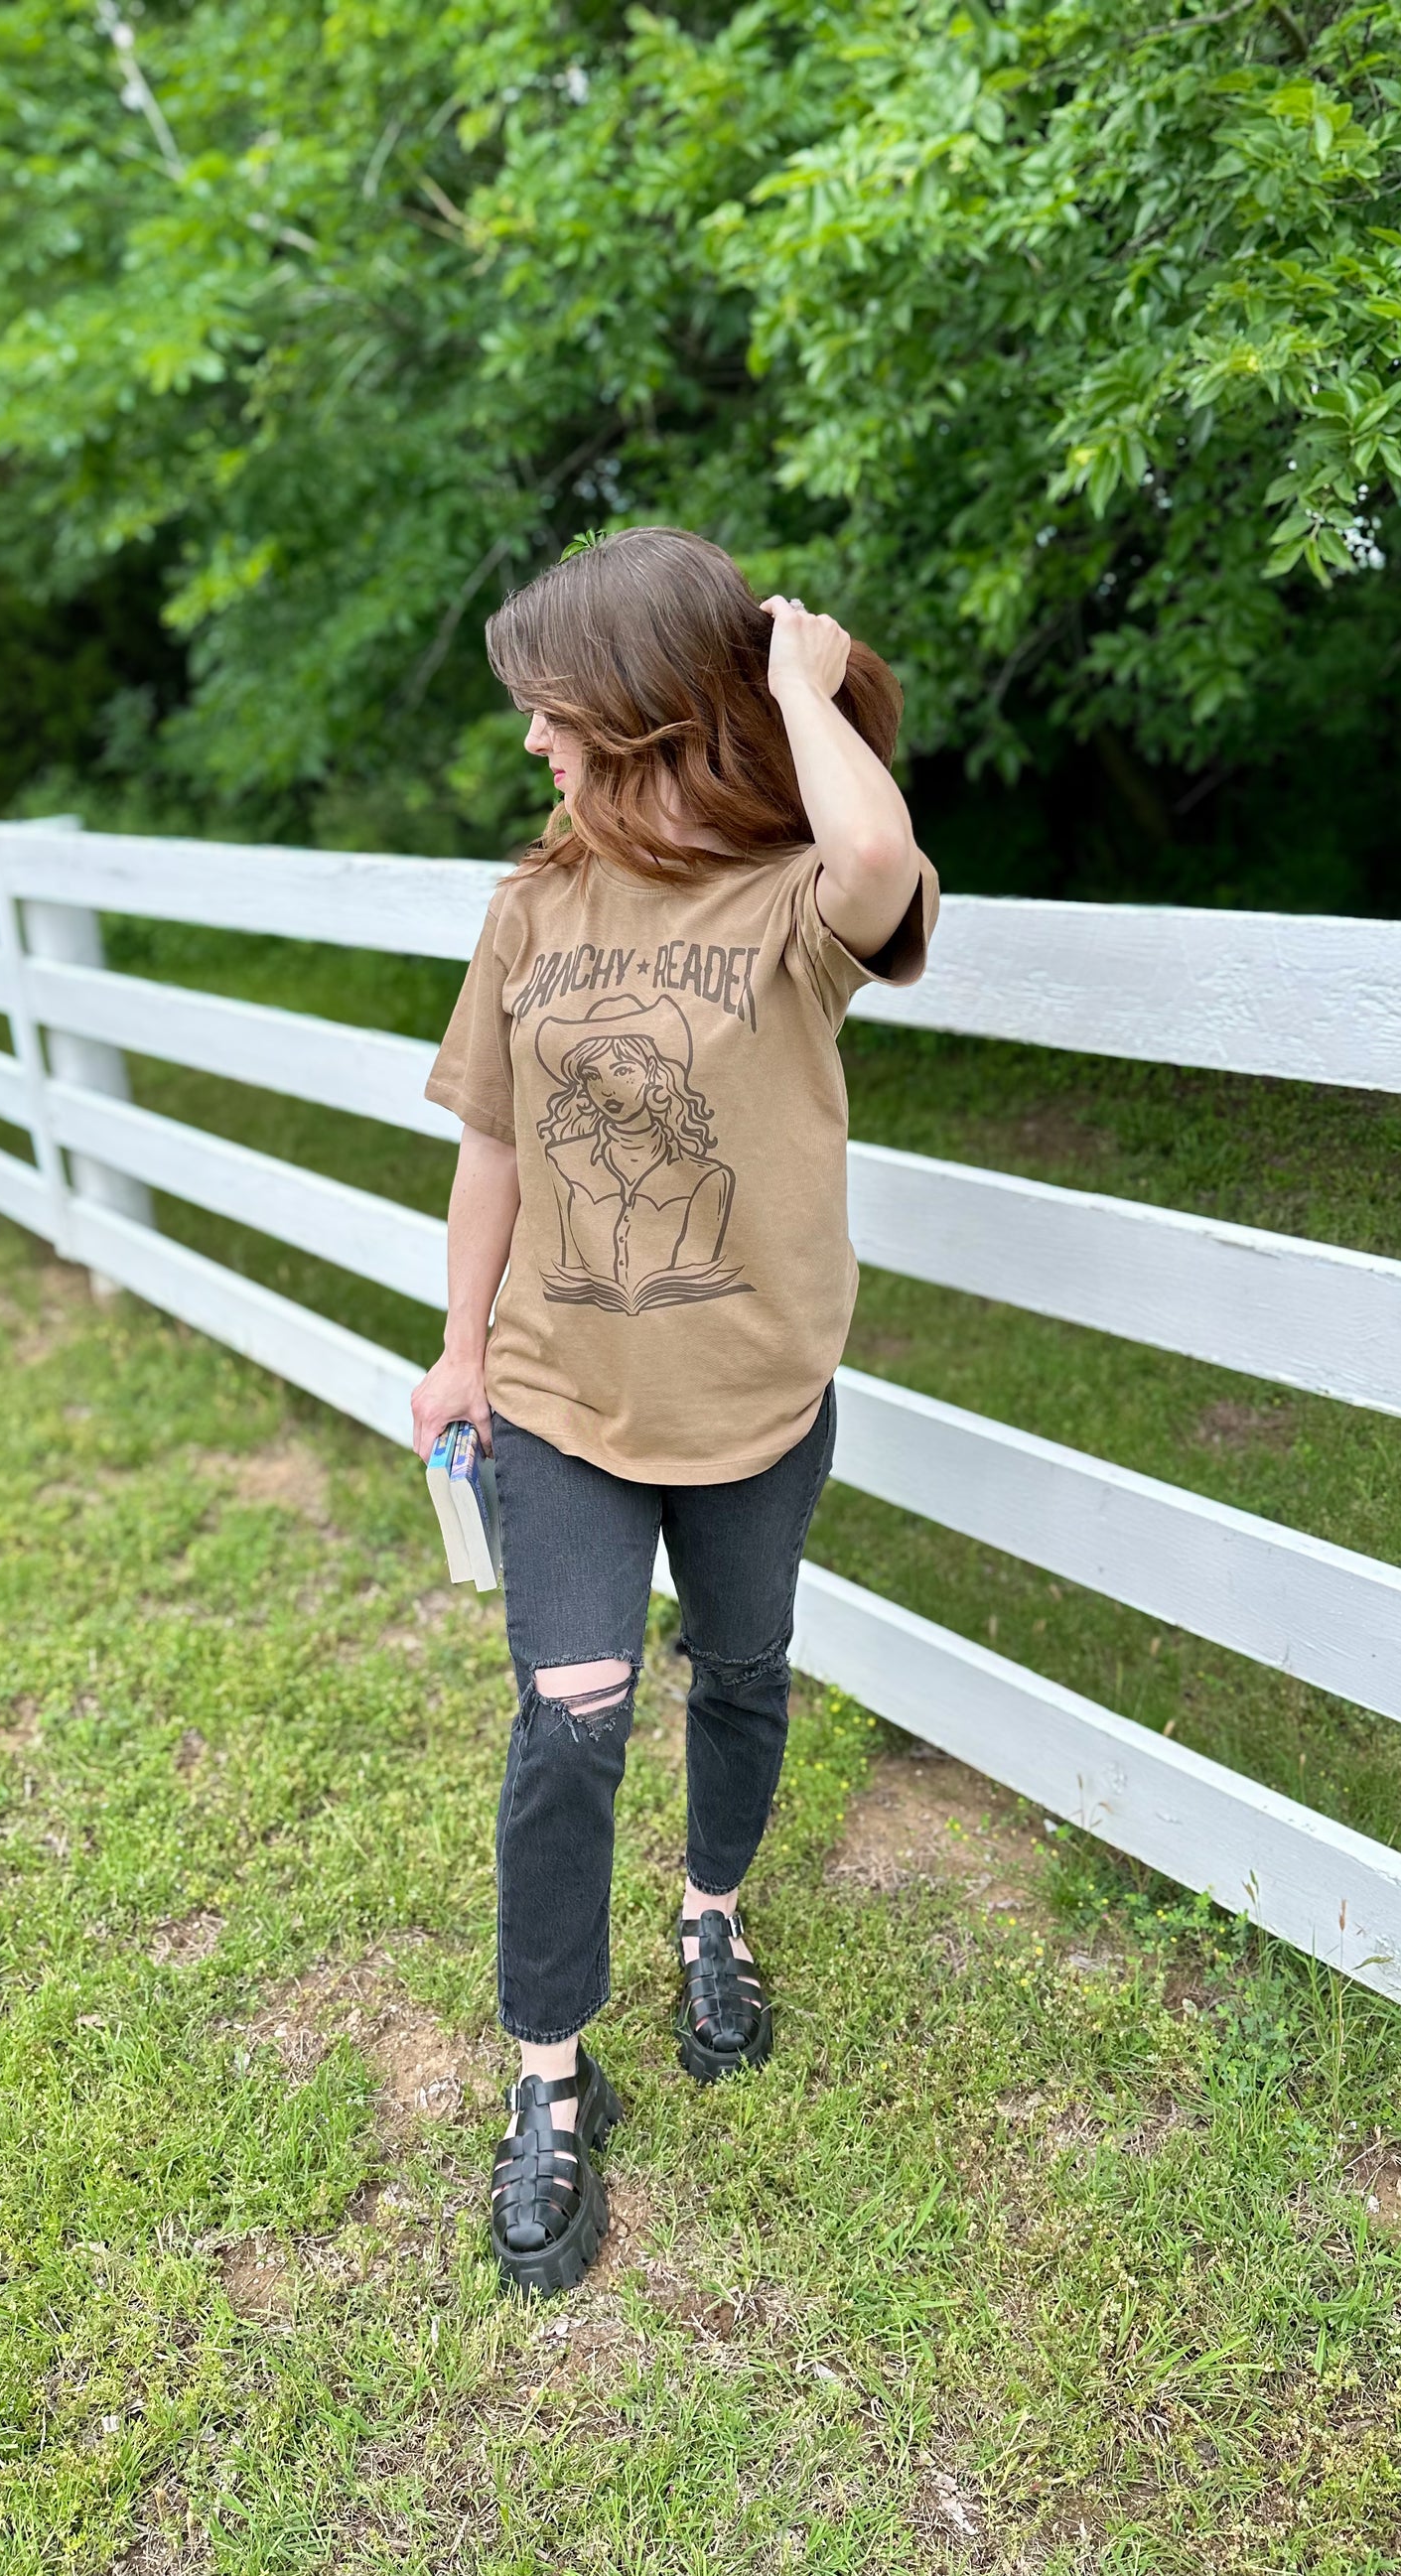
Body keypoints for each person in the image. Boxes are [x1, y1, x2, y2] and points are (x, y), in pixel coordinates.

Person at [411, 526, 938, 2296]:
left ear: (637, 711)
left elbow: (875, 844)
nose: (536, 745)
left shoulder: (791, 900)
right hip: (562, 1393)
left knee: (740, 1675)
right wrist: (460, 1346)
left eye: (555, 712)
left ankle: (710, 1918)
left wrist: (795, 681)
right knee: (567, 1724)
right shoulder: (530, 909)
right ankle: (549, 2082)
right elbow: (492, 1135)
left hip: (759, 1397)